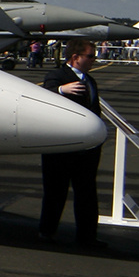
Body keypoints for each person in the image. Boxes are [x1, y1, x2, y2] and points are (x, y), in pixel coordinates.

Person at [39, 39, 105, 249]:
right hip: (61, 148)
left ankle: (87, 237)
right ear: (75, 57)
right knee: (55, 192)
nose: (94, 60)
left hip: (86, 150)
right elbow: (41, 96)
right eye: (90, 56)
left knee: (87, 193)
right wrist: (60, 90)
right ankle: (46, 233)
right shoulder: (57, 76)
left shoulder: (90, 81)